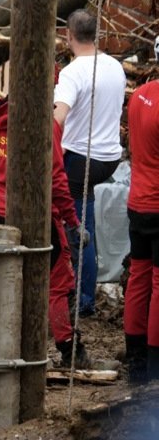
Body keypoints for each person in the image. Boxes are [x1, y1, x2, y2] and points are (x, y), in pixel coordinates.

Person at [0, 97, 98, 369]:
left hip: (3, 213)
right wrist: (72, 221)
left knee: (7, 283)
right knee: (58, 283)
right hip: (39, 217)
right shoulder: (45, 123)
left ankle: (5, 348)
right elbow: (55, 176)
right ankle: (70, 352)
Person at [54, 9, 127, 317]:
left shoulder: (73, 72)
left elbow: (58, 118)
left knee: (77, 228)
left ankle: (82, 300)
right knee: (84, 220)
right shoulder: (115, 66)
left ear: (68, 35)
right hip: (110, 157)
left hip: (81, 159)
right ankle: (76, 289)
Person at [125, 76, 159, 383]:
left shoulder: (139, 95)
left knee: (139, 277)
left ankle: (135, 361)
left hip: (138, 203)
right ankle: (154, 367)